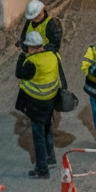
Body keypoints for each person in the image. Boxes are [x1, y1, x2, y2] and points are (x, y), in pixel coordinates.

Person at [15, 30, 61, 179]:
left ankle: (42, 169)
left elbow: (19, 73)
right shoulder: (53, 56)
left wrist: (22, 56)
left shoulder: (32, 62)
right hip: (50, 101)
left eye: (27, 47)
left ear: (31, 47)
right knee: (48, 128)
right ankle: (51, 158)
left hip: (37, 103)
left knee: (38, 135)